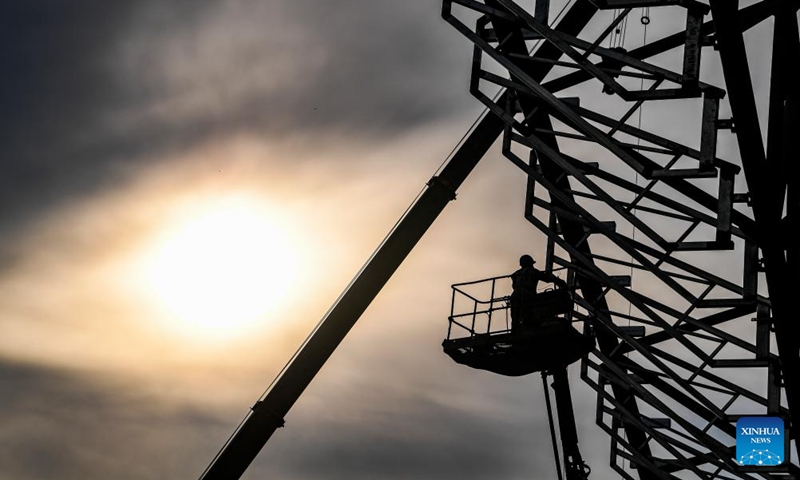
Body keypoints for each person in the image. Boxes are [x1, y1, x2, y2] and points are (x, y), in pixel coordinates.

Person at [510, 255, 568, 332]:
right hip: (528, 295)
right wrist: (561, 283)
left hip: (514, 296)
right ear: (530, 263)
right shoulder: (532, 271)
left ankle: (515, 330)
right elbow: (547, 278)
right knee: (531, 310)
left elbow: (514, 286)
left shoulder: (515, 274)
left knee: (515, 315)